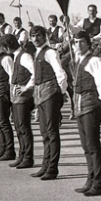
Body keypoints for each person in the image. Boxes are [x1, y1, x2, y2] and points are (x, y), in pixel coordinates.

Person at [71, 30, 101, 196]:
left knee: (93, 146)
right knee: (86, 146)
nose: (78, 45)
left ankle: (99, 183)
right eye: (76, 42)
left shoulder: (94, 60)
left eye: (81, 42)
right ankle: (91, 178)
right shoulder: (78, 60)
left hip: (91, 105)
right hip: (79, 106)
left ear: (88, 43)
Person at [29, 26, 68, 180]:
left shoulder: (50, 52)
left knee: (52, 132)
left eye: (38, 35)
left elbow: (60, 73)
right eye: (33, 36)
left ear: (45, 36)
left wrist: (61, 93)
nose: (35, 38)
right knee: (44, 132)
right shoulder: (37, 52)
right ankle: (45, 165)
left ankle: (52, 168)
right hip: (40, 94)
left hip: (51, 93)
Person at [7, 33, 35, 168]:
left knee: (24, 127)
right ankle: (22, 154)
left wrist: (26, 87)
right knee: (18, 127)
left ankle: (28, 157)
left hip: (23, 98)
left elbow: (35, 73)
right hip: (16, 97)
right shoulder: (17, 56)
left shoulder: (24, 56)